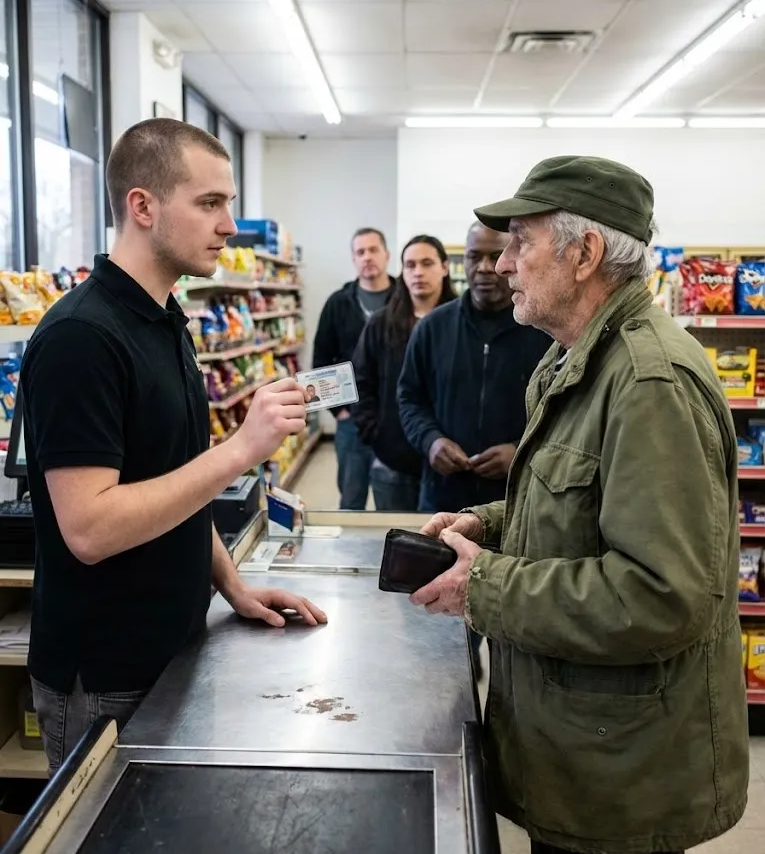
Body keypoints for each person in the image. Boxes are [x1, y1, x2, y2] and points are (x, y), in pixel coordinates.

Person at [410, 155, 749, 854]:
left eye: (520, 243)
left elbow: (661, 595)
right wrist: (487, 523)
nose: (502, 264)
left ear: (585, 252)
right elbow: (576, 506)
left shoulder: (650, 384)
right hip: (576, 750)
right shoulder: (574, 361)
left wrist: (483, 585)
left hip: (622, 770)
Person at [21, 119, 327, 772]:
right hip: (107, 678)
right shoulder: (81, 339)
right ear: (143, 206)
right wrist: (241, 449)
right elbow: (90, 529)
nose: (229, 226)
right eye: (209, 203)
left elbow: (178, 481)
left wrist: (233, 586)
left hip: (176, 649)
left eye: (229, 204)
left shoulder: (167, 323)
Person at [398, 221, 551, 514]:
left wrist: (521, 452)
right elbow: (409, 399)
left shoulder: (544, 332)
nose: (484, 268)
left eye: (495, 256)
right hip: (443, 500)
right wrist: (431, 441)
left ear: (513, 258)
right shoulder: (432, 328)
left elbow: (564, 415)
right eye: (474, 256)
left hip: (517, 503)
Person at [352, 235, 455, 512]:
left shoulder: (461, 323)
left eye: (427, 263)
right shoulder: (381, 324)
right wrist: (376, 433)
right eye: (410, 265)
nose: (418, 272)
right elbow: (361, 382)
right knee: (396, 536)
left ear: (444, 267)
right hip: (393, 463)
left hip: (451, 466)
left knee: (443, 537)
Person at [313, 228, 394, 509]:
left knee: (394, 504)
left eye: (373, 250)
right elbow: (321, 359)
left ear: (387, 255)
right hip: (352, 422)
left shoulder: (404, 298)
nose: (367, 257)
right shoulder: (338, 303)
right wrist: (340, 411)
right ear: (353, 259)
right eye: (360, 252)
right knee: (350, 501)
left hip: (395, 421)